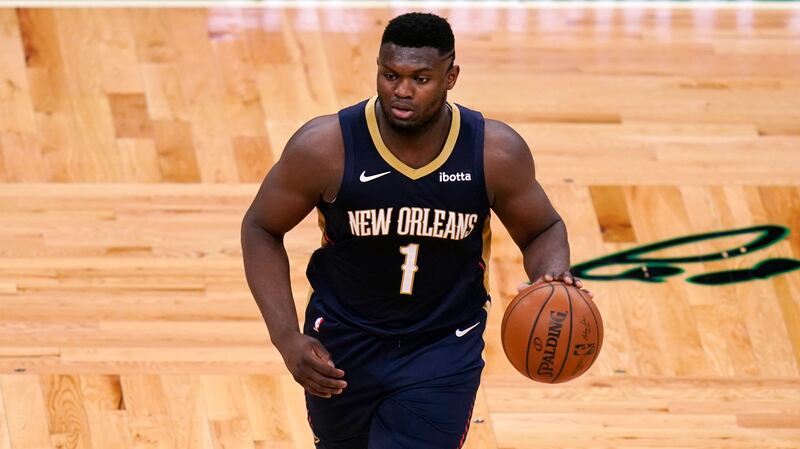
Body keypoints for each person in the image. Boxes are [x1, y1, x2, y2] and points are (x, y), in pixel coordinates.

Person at [241, 12, 590, 449]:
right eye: (391, 75)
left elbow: (543, 229)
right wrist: (286, 337)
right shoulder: (326, 148)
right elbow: (260, 228)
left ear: (451, 77)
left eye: (421, 78)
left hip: (442, 345)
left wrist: (551, 277)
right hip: (345, 343)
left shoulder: (492, 153)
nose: (402, 90)